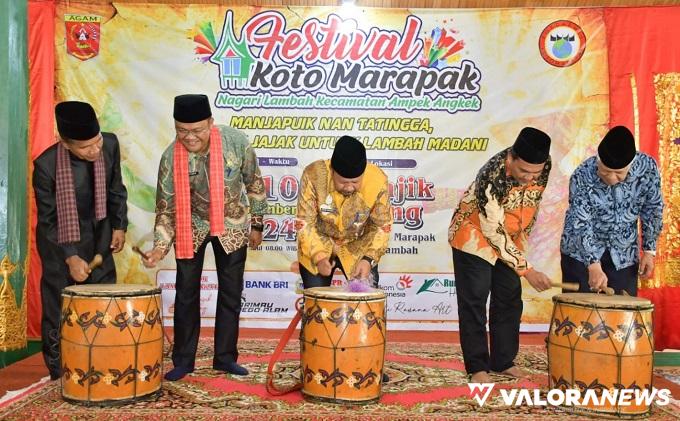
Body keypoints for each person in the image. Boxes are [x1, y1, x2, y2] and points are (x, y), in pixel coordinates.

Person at [142, 94, 267, 381]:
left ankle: (225, 358)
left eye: (197, 130)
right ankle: (184, 361)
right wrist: (160, 248)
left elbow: (254, 182)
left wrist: (257, 225)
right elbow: (166, 209)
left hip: (232, 223)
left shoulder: (236, 143)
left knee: (231, 293)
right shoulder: (169, 158)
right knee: (186, 294)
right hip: (191, 226)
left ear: (210, 122)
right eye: (182, 131)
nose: (190, 137)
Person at [448, 127, 554, 384]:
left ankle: (503, 361)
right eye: (523, 171)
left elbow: (530, 209)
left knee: (509, 297)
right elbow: (492, 231)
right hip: (473, 235)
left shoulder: (544, 166)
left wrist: (520, 251)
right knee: (475, 298)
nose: (529, 178)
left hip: (510, 237)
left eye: (535, 173)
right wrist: (527, 269)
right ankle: (477, 367)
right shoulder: (491, 175)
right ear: (512, 158)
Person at [33, 101, 128, 380]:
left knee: (103, 304)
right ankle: (58, 371)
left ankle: (103, 362)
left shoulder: (109, 144)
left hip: (99, 238)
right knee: (59, 306)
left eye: (96, 142)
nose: (95, 150)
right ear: (66, 144)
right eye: (85, 147)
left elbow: (116, 189)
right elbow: (48, 220)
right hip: (59, 244)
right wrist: (71, 256)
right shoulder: (47, 166)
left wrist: (119, 226)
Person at [560, 126, 663, 296]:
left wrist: (649, 250)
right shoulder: (582, 175)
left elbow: (653, 209)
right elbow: (580, 222)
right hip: (580, 253)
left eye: (619, 173)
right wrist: (592, 264)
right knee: (580, 317)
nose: (612, 178)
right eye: (606, 171)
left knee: (620, 315)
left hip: (624, 254)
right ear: (598, 160)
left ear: (631, 165)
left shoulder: (648, 169)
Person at [296, 135, 392, 289]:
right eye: (342, 182)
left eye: (355, 182)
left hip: (359, 246)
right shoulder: (313, 175)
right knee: (317, 305)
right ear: (332, 171)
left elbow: (382, 226)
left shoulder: (378, 180)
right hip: (319, 243)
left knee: (364, 306)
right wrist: (319, 256)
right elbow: (305, 223)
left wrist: (368, 259)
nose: (348, 187)